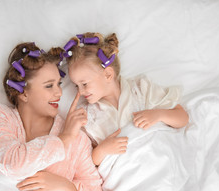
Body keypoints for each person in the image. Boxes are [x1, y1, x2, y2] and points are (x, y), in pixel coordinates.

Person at [0, 42, 104, 191]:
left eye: (59, 84)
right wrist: (64, 139)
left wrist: (65, 187)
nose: (59, 92)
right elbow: (14, 164)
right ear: (24, 93)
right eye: (49, 86)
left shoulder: (78, 140)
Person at [62, 32, 189, 166]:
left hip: (159, 159)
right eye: (77, 86)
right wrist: (102, 150)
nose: (80, 92)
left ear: (108, 75)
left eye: (85, 84)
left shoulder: (141, 89)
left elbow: (183, 118)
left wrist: (159, 114)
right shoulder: (87, 116)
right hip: (127, 171)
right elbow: (87, 164)